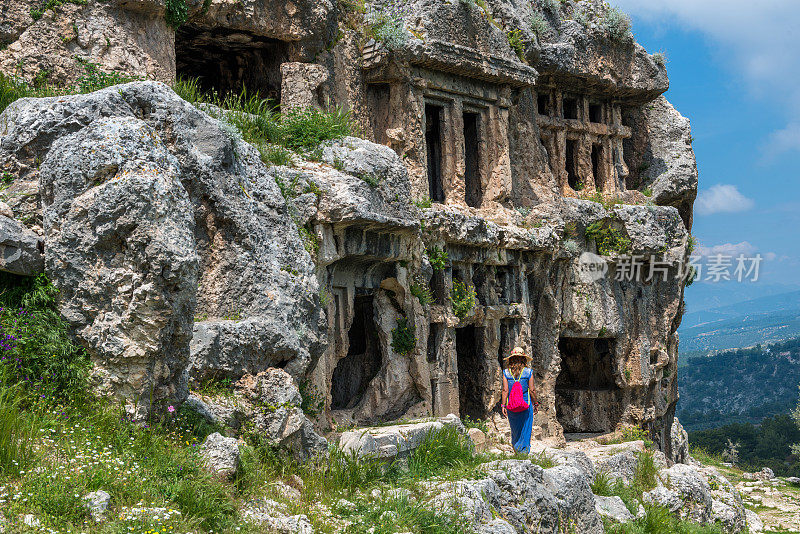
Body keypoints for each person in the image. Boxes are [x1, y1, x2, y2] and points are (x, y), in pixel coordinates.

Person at [501, 346, 539, 454]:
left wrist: (503, 405)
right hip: (526, 405)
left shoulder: (506, 373)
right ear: (524, 359)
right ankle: (524, 452)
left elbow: (505, 390)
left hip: (511, 406)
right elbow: (532, 390)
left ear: (511, 359)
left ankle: (516, 450)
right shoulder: (528, 372)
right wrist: (535, 403)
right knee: (525, 428)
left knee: (515, 429)